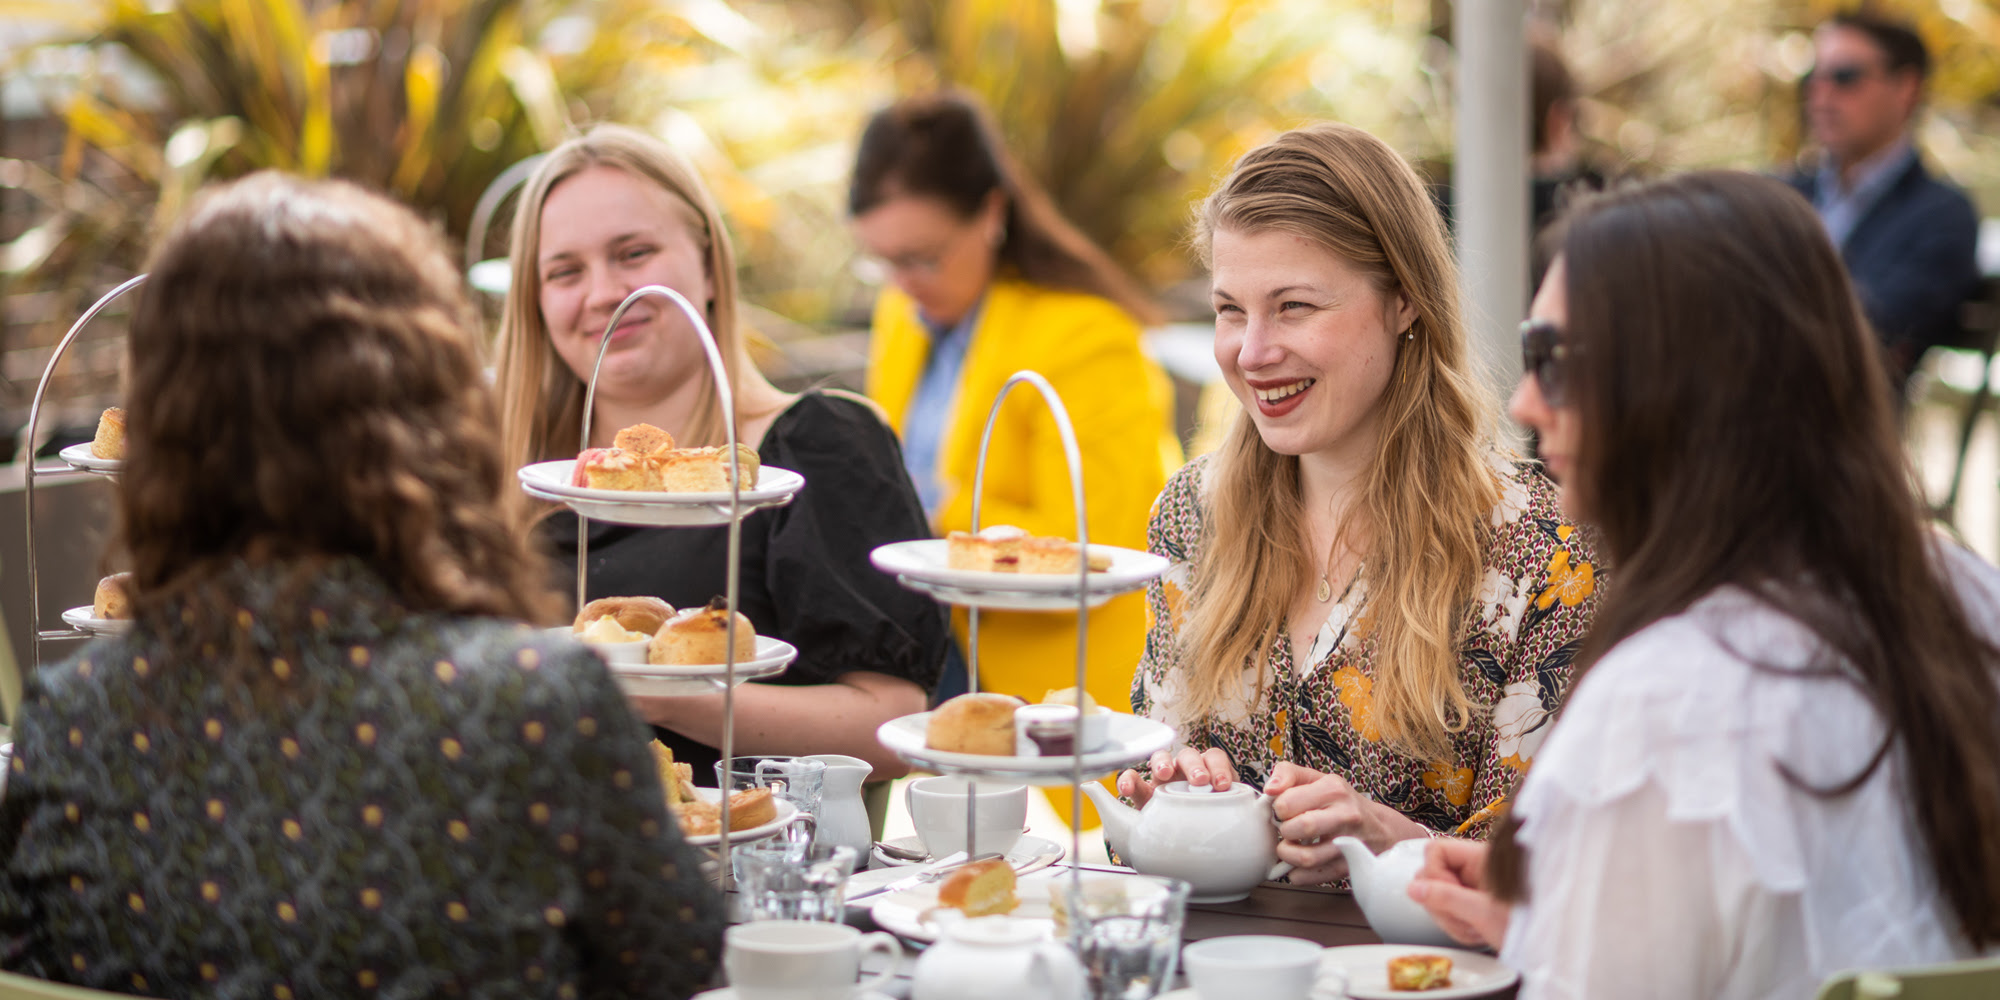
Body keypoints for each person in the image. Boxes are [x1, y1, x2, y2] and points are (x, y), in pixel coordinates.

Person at [0, 172, 725, 996]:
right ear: (429, 409)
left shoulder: (72, 724)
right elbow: (679, 970)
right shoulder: (538, 709)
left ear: (166, 426)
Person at [1407, 171, 2000, 998]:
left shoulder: (1672, 703)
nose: (1525, 400)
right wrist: (1565, 920)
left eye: (1554, 358)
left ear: (1689, 383)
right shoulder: (1968, 601)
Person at [1116, 123, 1602, 885]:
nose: (1251, 352)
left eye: (1295, 306)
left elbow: (1564, 877)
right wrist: (1168, 799)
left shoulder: (1542, 549)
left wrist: (1393, 842)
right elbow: (1130, 822)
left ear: (1404, 299)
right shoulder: (1192, 513)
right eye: (1230, 310)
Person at [494, 124, 949, 782]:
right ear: (535, 302)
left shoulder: (818, 446)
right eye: (565, 271)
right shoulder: (502, 481)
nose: (602, 293)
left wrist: (666, 695)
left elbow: (892, 723)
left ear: (708, 263)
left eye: (633, 252)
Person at [849, 93, 1180, 823]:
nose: (905, 282)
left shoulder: (1087, 337)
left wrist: (936, 514)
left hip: (1063, 693)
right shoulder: (903, 319)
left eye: (923, 256)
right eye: (883, 263)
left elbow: (1105, 531)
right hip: (947, 680)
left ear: (992, 214)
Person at [1789, 11, 1980, 393]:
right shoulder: (1781, 192)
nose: (1821, 95)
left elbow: (1878, 331)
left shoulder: (1941, 216)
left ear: (1906, 88)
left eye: (1845, 77)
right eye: (1813, 78)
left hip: (1840, 429)